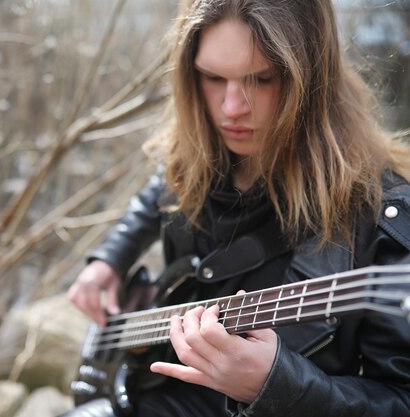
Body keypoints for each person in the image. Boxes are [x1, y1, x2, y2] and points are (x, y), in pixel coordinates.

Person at [64, 0, 410, 416]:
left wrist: (279, 386)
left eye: (261, 80)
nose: (232, 109)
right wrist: (111, 258)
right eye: (212, 77)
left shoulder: (382, 216)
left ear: (311, 79)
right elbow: (160, 186)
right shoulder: (200, 150)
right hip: (158, 391)